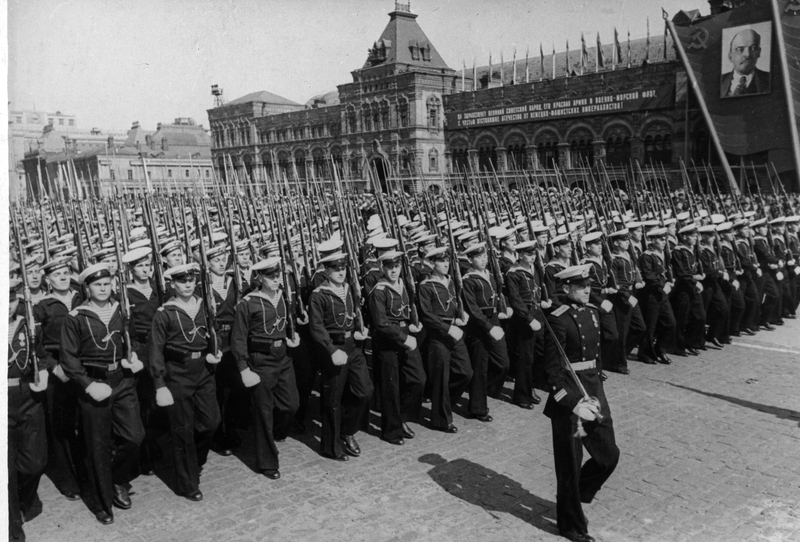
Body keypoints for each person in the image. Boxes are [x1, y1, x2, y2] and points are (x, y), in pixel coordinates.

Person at [59, 263, 145, 525]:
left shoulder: (122, 309)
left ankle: (116, 478)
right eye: (97, 285)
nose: (103, 288)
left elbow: (132, 337)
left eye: (107, 284)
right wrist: (87, 384)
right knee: (97, 445)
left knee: (134, 436)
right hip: (93, 384)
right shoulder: (76, 317)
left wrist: (134, 356)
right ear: (87, 288)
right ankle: (102, 502)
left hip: (122, 380)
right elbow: (69, 359)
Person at [542, 264, 619, 542]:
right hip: (570, 396)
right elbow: (551, 372)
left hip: (593, 389)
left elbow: (598, 352)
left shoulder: (593, 312)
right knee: (570, 465)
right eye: (580, 287)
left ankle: (576, 496)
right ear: (565, 289)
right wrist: (572, 403)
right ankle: (569, 523)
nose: (587, 291)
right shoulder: (557, 319)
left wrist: (596, 382)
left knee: (608, 455)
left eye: (588, 286)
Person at [148, 263, 221, 500]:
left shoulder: (204, 304)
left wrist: (215, 349)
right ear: (172, 284)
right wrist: (160, 384)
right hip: (177, 372)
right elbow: (156, 350)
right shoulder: (164, 313)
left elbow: (212, 331)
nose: (187, 285)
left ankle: (193, 460)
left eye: (190, 280)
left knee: (210, 422)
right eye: (182, 281)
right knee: (182, 430)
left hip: (203, 371)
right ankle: (187, 483)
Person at [231, 257, 300, 479]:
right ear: (259, 278)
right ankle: (268, 462)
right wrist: (243, 368)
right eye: (271, 276)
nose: (276, 279)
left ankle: (276, 434)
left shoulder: (285, 296)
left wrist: (293, 335)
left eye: (278, 275)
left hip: (284, 358)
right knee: (263, 412)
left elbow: (289, 321)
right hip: (260, 360)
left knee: (291, 404)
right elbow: (238, 339)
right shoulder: (248, 303)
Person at [308, 252, 373, 460]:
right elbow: (316, 327)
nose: (340, 273)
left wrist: (359, 329)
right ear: (326, 271)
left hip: (352, 345)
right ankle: (331, 447)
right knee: (332, 399)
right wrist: (331, 350)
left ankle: (346, 430)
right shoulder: (319, 294)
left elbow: (355, 314)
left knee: (364, 391)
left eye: (343, 269)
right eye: (336, 269)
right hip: (333, 348)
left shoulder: (349, 288)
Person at [32, 256, 84, 501]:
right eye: (56, 275)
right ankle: (68, 481)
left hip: (84, 367)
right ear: (48, 280)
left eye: (65, 272)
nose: (62, 277)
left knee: (84, 423)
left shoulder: (82, 297)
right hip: (59, 372)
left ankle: (86, 473)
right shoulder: (42, 306)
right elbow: (38, 346)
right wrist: (54, 367)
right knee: (62, 428)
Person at [368, 249, 426, 444]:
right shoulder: (379, 291)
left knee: (417, 379)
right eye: (389, 267)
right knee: (391, 386)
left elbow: (409, 308)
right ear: (382, 268)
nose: (393, 271)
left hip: (405, 335)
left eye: (396, 266)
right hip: (389, 341)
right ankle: (391, 430)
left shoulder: (404, 284)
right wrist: (403, 337)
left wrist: (412, 323)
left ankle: (401, 416)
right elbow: (381, 323)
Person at [8, 278, 49, 542]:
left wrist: (42, 371)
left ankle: (23, 501)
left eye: (11, 299)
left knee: (35, 462)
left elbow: (41, 353)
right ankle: (12, 530)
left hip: (27, 395)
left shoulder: (29, 323)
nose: (7, 305)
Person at [417, 246, 472, 432]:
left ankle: (444, 401)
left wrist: (460, 316)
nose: (446, 264)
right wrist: (449, 328)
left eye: (447, 261)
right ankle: (441, 420)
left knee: (466, 372)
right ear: (432, 264)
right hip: (439, 335)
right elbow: (427, 316)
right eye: (441, 261)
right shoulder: (425, 286)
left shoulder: (450, 281)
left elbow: (455, 303)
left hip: (454, 331)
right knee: (441, 377)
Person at [461, 242, 511, 422]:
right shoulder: (468, 280)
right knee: (480, 366)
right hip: (480, 327)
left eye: (484, 257)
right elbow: (473, 310)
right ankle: (477, 408)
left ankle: (487, 389)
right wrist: (490, 328)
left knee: (503, 363)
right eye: (478, 257)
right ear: (470, 260)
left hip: (494, 320)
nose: (483, 260)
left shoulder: (489, 274)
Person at [505, 240, 549, 408]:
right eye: (529, 255)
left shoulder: (534, 268)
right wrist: (529, 319)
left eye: (534, 254)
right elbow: (516, 300)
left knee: (540, 350)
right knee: (526, 358)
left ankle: (532, 384)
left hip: (538, 313)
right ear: (521, 255)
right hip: (524, 319)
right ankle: (522, 395)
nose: (532, 257)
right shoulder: (514, 273)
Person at [721, 29, 770, 98]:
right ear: (730, 56)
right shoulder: (720, 81)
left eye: (753, 48)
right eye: (739, 49)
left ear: (759, 52)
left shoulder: (770, 79)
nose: (747, 54)